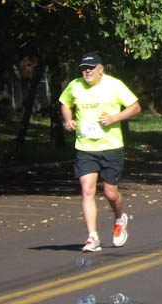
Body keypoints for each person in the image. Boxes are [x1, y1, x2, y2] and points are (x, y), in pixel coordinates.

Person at [59, 52, 142, 252]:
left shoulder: (114, 85)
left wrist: (114, 118)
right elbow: (65, 104)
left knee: (110, 193)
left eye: (91, 68)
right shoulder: (75, 85)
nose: (87, 71)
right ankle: (92, 237)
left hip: (111, 147)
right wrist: (68, 120)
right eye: (84, 68)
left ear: (101, 69)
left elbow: (135, 107)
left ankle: (119, 218)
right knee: (87, 189)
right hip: (85, 147)